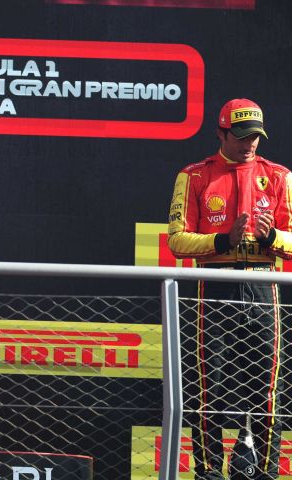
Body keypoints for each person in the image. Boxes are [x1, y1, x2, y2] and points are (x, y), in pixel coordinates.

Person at [167, 98, 292, 480]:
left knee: (268, 391)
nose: (249, 143)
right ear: (221, 133)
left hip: (262, 285)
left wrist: (274, 238)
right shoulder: (195, 176)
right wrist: (222, 241)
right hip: (214, 287)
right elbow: (176, 241)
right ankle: (207, 473)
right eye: (240, 136)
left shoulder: (279, 176)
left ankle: (267, 473)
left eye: (255, 135)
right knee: (208, 391)